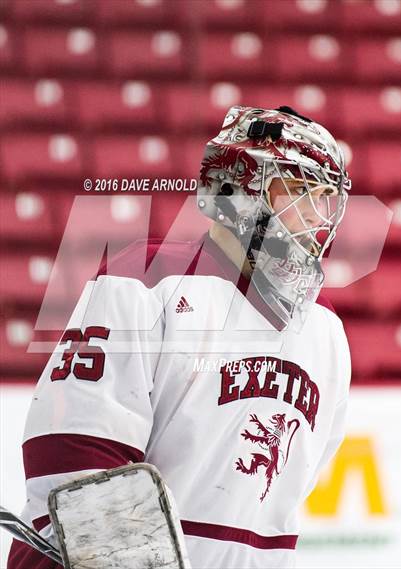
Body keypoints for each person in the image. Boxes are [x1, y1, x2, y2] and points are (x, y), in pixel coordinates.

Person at [8, 105, 352, 569]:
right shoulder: (146, 280)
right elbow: (72, 455)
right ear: (237, 189)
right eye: (297, 192)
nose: (315, 218)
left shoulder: (325, 329)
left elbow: (282, 495)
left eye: (323, 200)